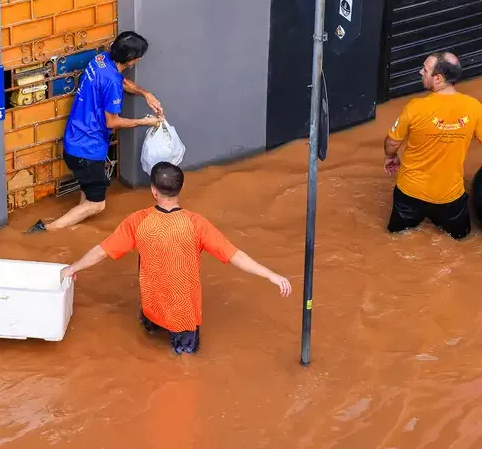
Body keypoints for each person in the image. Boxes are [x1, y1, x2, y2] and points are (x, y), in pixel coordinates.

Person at [61, 162, 292, 354]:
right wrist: (271, 275)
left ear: (153, 190)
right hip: (184, 315)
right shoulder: (196, 224)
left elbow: (102, 251)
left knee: (148, 342)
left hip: (151, 306)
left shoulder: (137, 221)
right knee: (184, 365)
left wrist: (72, 268)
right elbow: (235, 256)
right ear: (180, 189)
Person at [27, 31, 163, 233]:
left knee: (87, 193)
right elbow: (112, 122)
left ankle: (74, 228)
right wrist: (145, 122)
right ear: (132, 60)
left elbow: (121, 81)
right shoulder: (112, 84)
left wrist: (146, 94)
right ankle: (45, 230)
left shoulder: (100, 60)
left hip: (73, 141)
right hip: (87, 151)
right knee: (97, 205)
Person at [384, 52, 482, 239]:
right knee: (461, 240)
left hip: (409, 194)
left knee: (395, 238)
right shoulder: (474, 108)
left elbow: (392, 141)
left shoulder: (414, 107)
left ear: (438, 78)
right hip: (449, 198)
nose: (421, 72)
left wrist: (390, 157)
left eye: (425, 70)